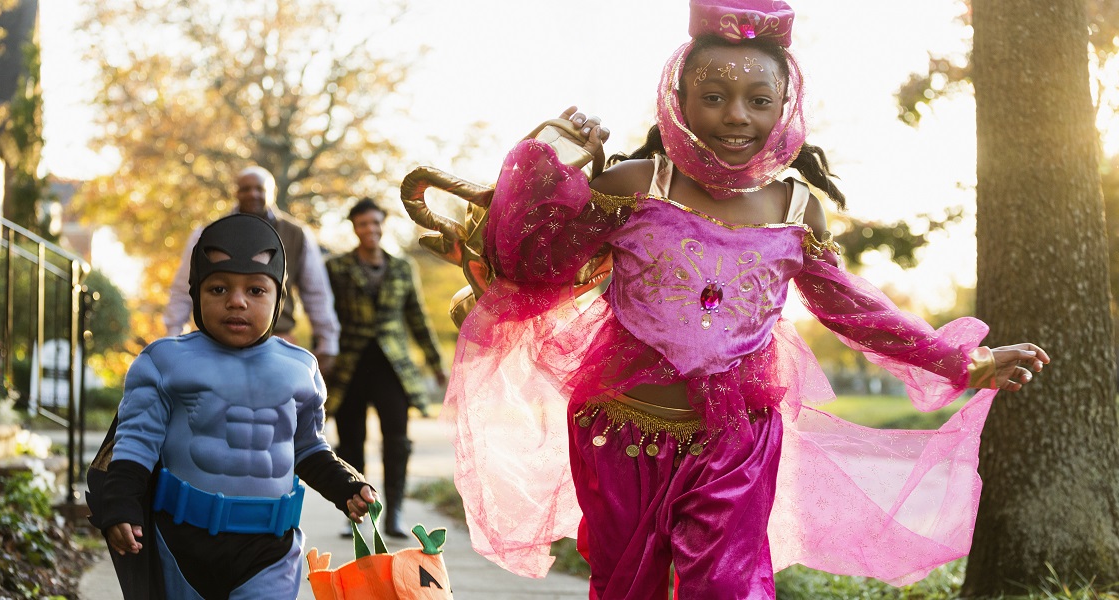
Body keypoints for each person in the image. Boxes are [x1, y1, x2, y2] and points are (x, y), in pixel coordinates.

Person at [437, 1, 1051, 598]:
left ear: (785, 107)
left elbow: (856, 310)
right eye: (713, 97)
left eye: (759, 101)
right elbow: (534, 266)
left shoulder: (794, 209)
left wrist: (959, 360)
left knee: (728, 587)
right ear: (677, 102)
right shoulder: (633, 186)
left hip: (737, 439)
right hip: (617, 433)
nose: (736, 116)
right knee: (626, 589)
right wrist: (552, 163)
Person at [93, 213, 375, 599]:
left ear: (279, 298)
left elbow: (307, 449)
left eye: (256, 291)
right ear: (196, 294)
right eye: (219, 289)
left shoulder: (301, 368)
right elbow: (136, 445)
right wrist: (119, 507)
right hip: (181, 544)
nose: (237, 301)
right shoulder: (163, 362)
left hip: (271, 550)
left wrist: (346, 485)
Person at [325, 198, 448, 539]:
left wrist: (435, 362)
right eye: (363, 224)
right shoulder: (335, 267)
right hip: (350, 365)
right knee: (350, 444)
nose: (370, 230)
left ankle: (393, 513)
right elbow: (325, 314)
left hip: (392, 369)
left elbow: (417, 317)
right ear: (354, 227)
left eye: (376, 223)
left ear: (383, 225)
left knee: (397, 441)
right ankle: (357, 514)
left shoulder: (402, 266)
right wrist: (324, 352)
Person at [163, 166, 340, 372]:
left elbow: (316, 292)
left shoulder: (297, 234)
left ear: (272, 193)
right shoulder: (207, 234)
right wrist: (173, 335)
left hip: (275, 342)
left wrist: (328, 340)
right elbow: (184, 288)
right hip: (216, 343)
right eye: (245, 189)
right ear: (236, 193)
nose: (252, 194)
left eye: (259, 189)